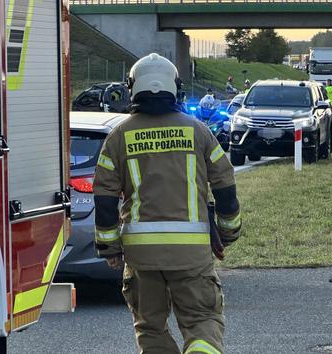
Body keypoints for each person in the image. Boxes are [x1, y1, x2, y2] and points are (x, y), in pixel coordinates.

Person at [94, 53, 242, 354]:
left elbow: (105, 199)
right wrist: (228, 232)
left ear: (132, 88)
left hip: (141, 257)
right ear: (176, 87)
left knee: (150, 328)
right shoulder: (198, 131)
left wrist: (110, 248)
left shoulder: (118, 137)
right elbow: (225, 187)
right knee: (202, 320)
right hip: (191, 255)